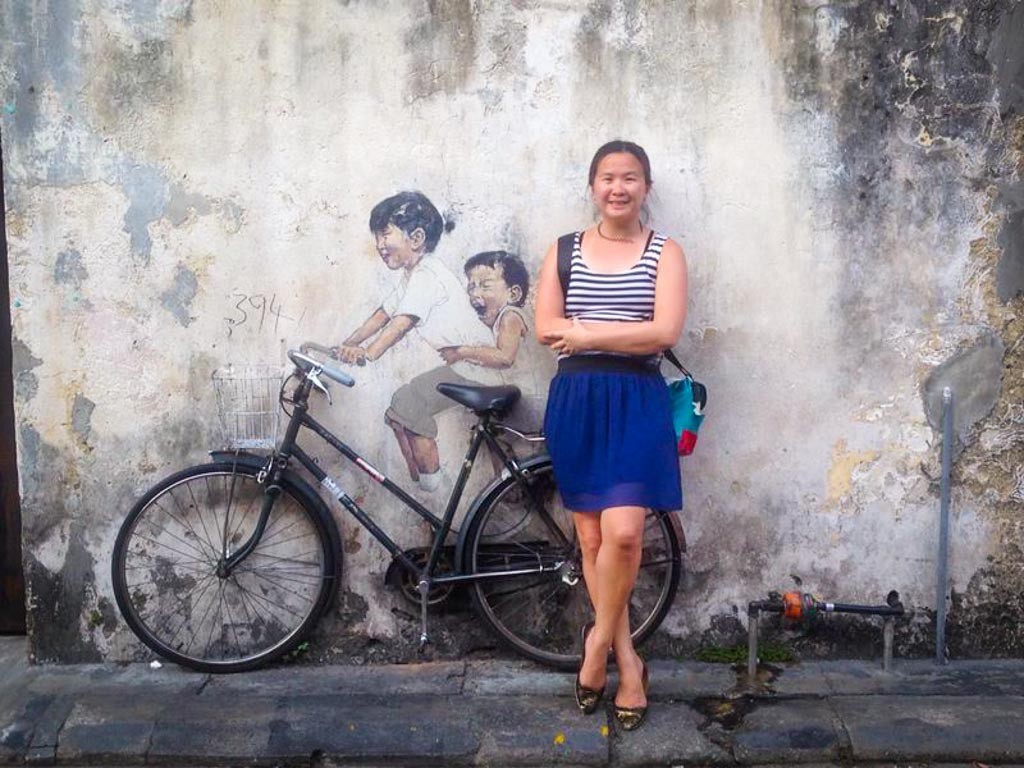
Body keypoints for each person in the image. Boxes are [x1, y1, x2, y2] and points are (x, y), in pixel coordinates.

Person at [534, 140, 687, 731]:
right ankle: (628, 660)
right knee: (593, 544)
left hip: (636, 401)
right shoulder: (565, 250)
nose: (617, 188)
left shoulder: (664, 252)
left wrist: (590, 332)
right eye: (606, 178)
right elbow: (549, 328)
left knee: (623, 535)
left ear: (645, 186)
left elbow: (664, 331)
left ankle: (595, 646)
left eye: (629, 178)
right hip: (577, 400)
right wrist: (616, 332)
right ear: (592, 186)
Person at [334, 191, 493, 491]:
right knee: (399, 412)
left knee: (408, 405)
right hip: (464, 367)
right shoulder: (412, 275)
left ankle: (437, 494)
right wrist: (344, 345)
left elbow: (401, 324)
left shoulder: (428, 275)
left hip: (477, 367)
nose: (379, 245)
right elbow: (382, 315)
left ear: (416, 237)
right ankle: (424, 485)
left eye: (385, 235)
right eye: (377, 237)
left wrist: (368, 353)